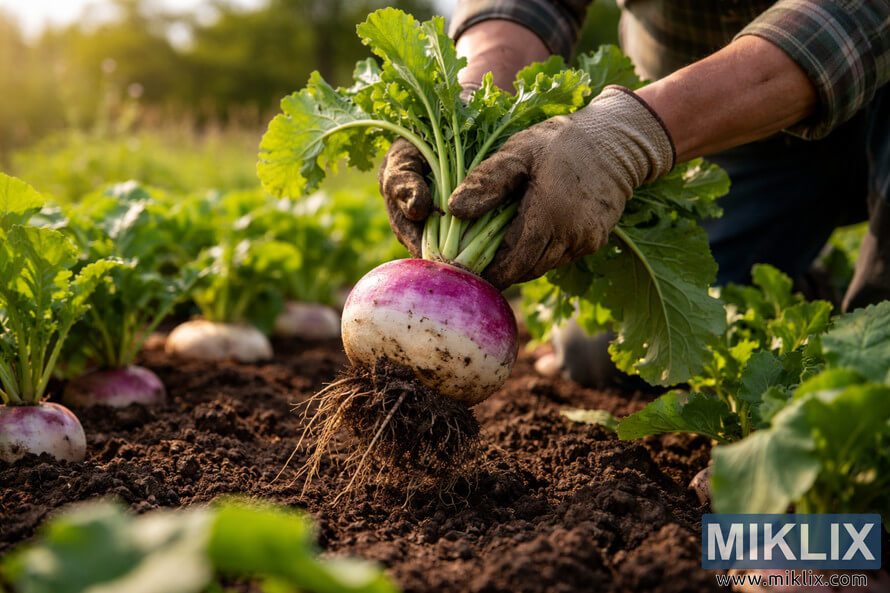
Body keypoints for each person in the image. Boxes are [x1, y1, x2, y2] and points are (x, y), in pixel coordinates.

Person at [379, 0, 890, 387]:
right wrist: (470, 97)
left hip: (859, 96)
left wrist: (632, 133)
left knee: (874, 368)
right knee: (602, 351)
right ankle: (797, 295)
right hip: (722, 125)